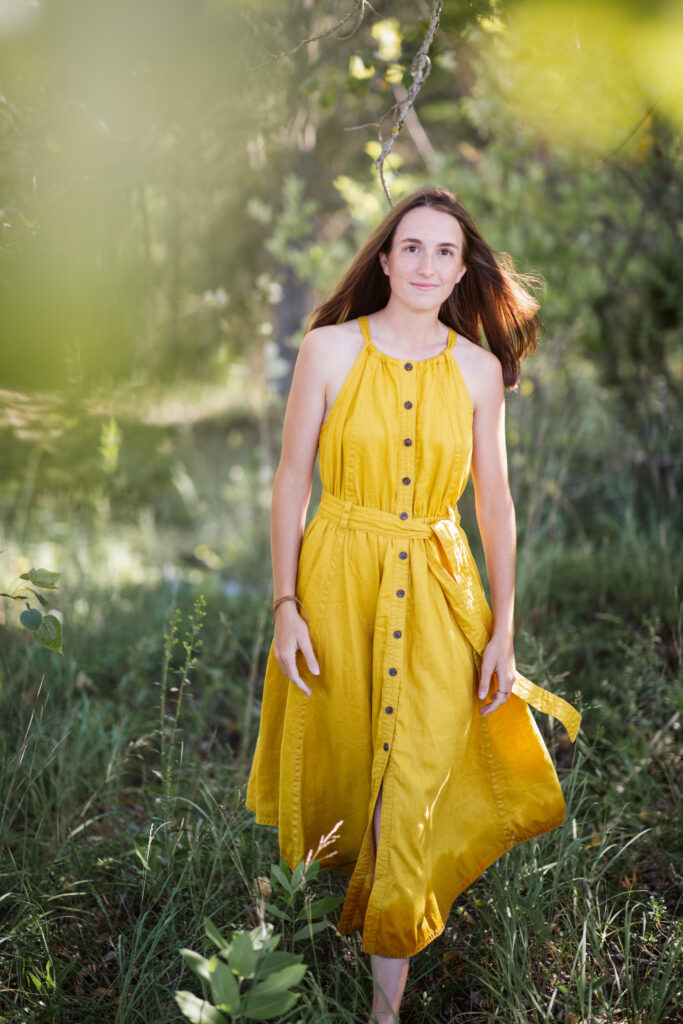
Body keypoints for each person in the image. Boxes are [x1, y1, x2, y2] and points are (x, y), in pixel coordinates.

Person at [246, 186, 581, 1023]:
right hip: (336, 580)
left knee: (414, 771)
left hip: (438, 588)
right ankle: (329, 916)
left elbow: (494, 504)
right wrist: (284, 605)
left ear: (462, 270)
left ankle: (382, 1011)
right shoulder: (326, 350)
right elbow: (289, 481)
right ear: (386, 261)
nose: (427, 264)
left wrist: (503, 630)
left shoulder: (477, 370)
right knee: (350, 759)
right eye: (411, 247)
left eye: (444, 251)